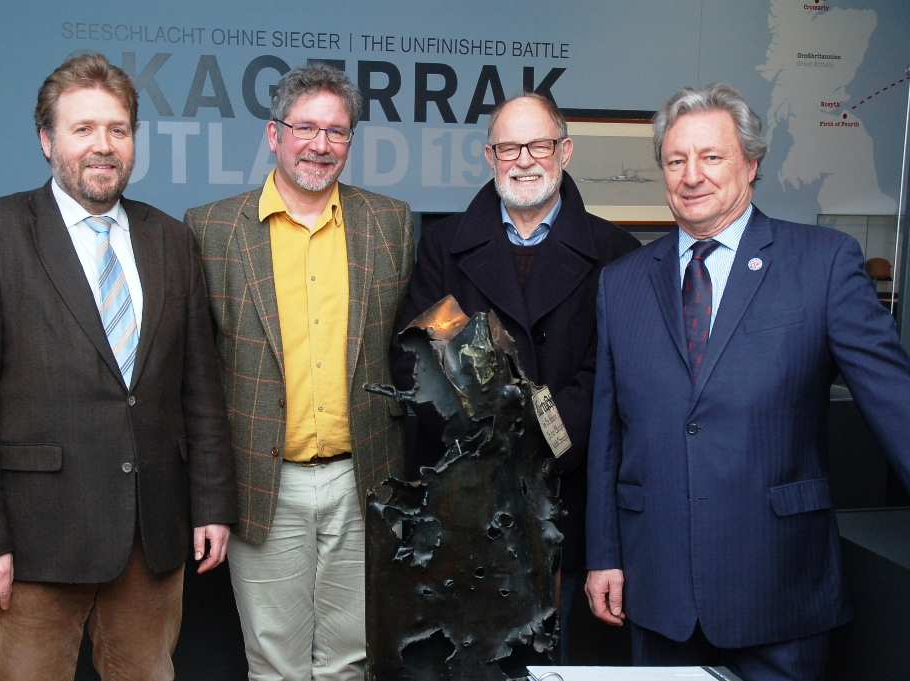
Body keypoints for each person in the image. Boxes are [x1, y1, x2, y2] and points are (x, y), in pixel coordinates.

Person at [0, 52, 235, 681]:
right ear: (46, 140)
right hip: (38, 537)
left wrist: (211, 503)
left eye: (118, 130)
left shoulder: (170, 239)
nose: (103, 146)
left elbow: (199, 388)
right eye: (83, 129)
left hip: (154, 534)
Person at [584, 82, 910, 680]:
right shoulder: (622, 282)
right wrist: (603, 554)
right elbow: (609, 431)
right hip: (659, 591)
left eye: (712, 157)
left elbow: (896, 402)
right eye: (676, 160)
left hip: (779, 585)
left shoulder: (823, 262)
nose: (691, 176)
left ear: (752, 164)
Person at [390, 91, 639, 662]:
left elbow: (610, 376)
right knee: (467, 662)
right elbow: (414, 360)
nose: (524, 159)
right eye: (508, 147)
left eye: (539, 144)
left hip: (566, 500)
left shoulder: (616, 253)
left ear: (565, 151)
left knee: (560, 660)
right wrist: (488, 438)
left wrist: (537, 440)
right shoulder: (442, 246)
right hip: (466, 500)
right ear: (489, 155)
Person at [185, 63, 413, 681]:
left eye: (337, 132)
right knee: (276, 664)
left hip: (363, 478)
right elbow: (196, 378)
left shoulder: (391, 222)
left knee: (352, 659)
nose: (320, 145)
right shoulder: (209, 229)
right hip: (264, 483)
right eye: (305, 128)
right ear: (273, 134)